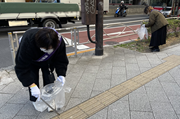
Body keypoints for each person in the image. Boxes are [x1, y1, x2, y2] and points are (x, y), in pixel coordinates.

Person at [15, 28, 69, 111]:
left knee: (49, 78)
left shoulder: (59, 42)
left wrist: (61, 74)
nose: (46, 51)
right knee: (32, 78)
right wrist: (31, 85)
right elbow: (21, 67)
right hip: (32, 61)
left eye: (49, 49)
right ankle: (35, 99)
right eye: (44, 48)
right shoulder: (28, 41)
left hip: (48, 61)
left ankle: (49, 99)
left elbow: (61, 59)